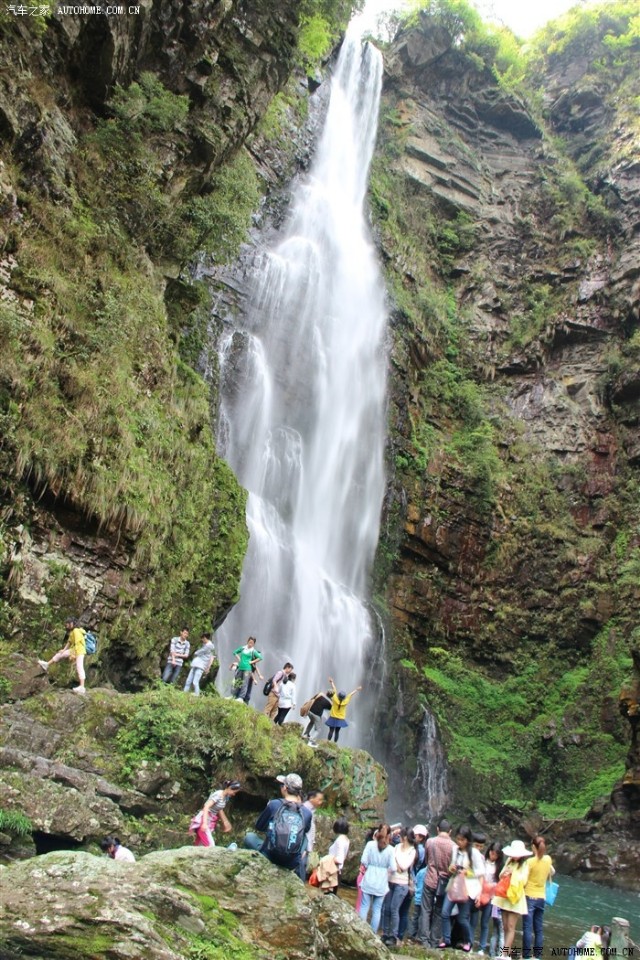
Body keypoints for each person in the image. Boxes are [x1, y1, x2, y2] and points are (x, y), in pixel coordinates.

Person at [244, 773, 312, 872]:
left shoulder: (274, 804)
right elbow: (305, 832)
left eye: (281, 785)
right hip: (291, 863)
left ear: (285, 788)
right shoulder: (307, 813)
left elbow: (259, 826)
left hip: (269, 856)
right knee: (305, 837)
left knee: (249, 837)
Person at [438, 824, 484, 952]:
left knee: (462, 918)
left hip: (467, 889)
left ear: (468, 840)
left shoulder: (474, 853)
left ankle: (468, 942)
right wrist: (451, 868)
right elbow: (451, 865)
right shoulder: (454, 849)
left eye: (462, 840)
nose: (459, 842)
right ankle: (446, 940)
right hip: (454, 885)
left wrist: (467, 872)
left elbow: (481, 872)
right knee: (445, 912)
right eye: (458, 839)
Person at [418, 818, 455, 948]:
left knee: (426, 910)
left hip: (430, 880)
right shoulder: (454, 846)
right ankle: (434, 941)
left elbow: (427, 861)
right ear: (450, 831)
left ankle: (424, 939)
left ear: (438, 829)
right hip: (444, 883)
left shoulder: (430, 842)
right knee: (439, 912)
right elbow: (453, 867)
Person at [491, 839, 531, 957]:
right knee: (504, 925)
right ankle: (504, 953)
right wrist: (504, 874)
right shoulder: (509, 861)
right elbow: (500, 875)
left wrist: (512, 875)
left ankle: (504, 955)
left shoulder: (525, 864)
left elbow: (523, 880)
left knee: (511, 926)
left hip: (516, 898)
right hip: (505, 897)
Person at [381, 827, 417, 947]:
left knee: (394, 909)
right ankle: (385, 933)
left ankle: (393, 936)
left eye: (401, 835)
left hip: (402, 884)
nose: (399, 837)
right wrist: (396, 864)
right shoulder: (396, 847)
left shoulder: (412, 851)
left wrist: (395, 861)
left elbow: (403, 866)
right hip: (390, 880)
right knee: (386, 908)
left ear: (405, 837)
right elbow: (392, 864)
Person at [359, 824, 396, 934]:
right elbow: (394, 868)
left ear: (378, 832)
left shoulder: (370, 845)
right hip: (381, 881)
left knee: (364, 906)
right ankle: (373, 934)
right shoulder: (391, 850)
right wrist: (386, 870)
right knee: (377, 910)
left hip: (369, 877)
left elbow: (364, 861)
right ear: (389, 835)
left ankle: (360, 931)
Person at [523, 835, 555, 960]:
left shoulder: (530, 862)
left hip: (529, 896)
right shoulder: (548, 859)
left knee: (527, 928)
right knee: (539, 929)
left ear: (533, 847)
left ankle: (526, 956)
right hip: (541, 897)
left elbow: (524, 880)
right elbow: (552, 872)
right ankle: (537, 956)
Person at [38, 616, 88, 694]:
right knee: (60, 654)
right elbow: (69, 642)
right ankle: (47, 664)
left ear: (71, 623)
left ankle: (82, 687)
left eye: (67, 624)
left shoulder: (76, 631)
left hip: (80, 651)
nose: (66, 625)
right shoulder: (72, 632)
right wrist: (64, 650)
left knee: (79, 667)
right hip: (74, 649)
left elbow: (78, 643)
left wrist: (74, 655)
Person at [190, 780, 241, 847]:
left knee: (200, 845)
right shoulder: (218, 795)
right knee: (210, 845)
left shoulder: (225, 798)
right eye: (234, 792)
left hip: (210, 821)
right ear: (230, 788)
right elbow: (206, 806)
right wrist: (204, 823)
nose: (234, 794)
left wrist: (225, 822)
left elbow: (219, 809)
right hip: (204, 819)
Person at [475, 841, 504, 955]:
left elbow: (499, 882)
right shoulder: (482, 860)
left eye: (496, 854)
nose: (493, 856)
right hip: (478, 892)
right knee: (473, 919)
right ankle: (468, 942)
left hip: (491, 897)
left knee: (485, 922)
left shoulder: (499, 866)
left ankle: (482, 947)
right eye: (492, 853)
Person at [325, 676, 362, 743]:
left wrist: (332, 682)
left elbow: (334, 689)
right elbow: (350, 694)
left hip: (333, 717)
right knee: (337, 732)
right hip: (340, 719)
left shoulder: (334, 698)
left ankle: (327, 742)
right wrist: (357, 689)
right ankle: (335, 743)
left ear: (338, 696)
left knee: (331, 730)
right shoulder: (346, 701)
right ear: (344, 697)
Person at [299, 789, 324, 881]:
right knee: (300, 869)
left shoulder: (311, 810)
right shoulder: (305, 809)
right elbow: (302, 830)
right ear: (311, 798)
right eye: (319, 799)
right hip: (302, 847)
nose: (320, 802)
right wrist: (304, 848)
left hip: (306, 847)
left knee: (303, 868)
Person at [230, 637, 263, 704]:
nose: (250, 644)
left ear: (254, 644)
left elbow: (260, 658)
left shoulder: (253, 651)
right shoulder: (243, 648)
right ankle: (233, 695)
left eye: (252, 643)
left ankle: (241, 698)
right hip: (240, 667)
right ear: (247, 641)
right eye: (250, 642)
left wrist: (251, 662)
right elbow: (235, 652)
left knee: (244, 683)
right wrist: (239, 658)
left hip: (247, 669)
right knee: (237, 682)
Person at [326, 817, 350, 894]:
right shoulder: (346, 839)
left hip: (332, 871)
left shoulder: (340, 840)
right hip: (338, 871)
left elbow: (339, 859)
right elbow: (344, 857)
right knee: (332, 895)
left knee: (328, 895)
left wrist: (327, 859)